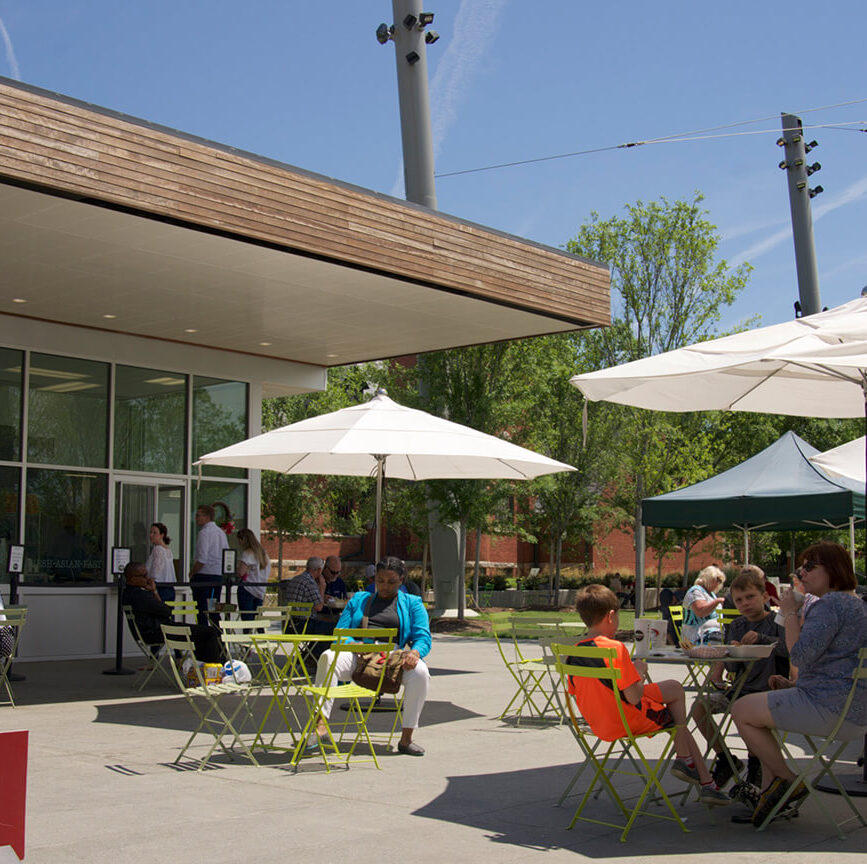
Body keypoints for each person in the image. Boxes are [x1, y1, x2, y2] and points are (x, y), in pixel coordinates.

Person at [731, 541, 867, 827]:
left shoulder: (831, 605)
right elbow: (829, 661)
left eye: (809, 567)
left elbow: (801, 655)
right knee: (762, 714)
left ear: (832, 569)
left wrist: (790, 611)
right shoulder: (856, 604)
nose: (801, 573)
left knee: (742, 709)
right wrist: (794, 683)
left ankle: (787, 781)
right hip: (852, 710)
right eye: (801, 567)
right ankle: (772, 797)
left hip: (830, 708)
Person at [568, 584, 729, 805]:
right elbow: (634, 697)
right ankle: (697, 773)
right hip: (625, 720)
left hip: (599, 721)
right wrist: (639, 673)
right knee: (677, 717)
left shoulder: (575, 650)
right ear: (611, 616)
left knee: (674, 689)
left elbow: (580, 692)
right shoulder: (614, 649)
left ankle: (695, 769)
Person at [308, 556, 431, 756]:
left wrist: (415, 653)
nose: (384, 586)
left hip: (392, 657)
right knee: (328, 657)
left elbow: (423, 637)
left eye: (391, 582)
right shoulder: (359, 599)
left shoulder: (413, 603)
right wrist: (352, 644)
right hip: (359, 652)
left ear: (401, 580)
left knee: (421, 673)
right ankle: (320, 725)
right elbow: (340, 632)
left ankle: (407, 738)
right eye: (380, 581)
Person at [690, 569, 789, 798]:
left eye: (750, 597)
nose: (745, 603)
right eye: (739, 600)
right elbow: (733, 669)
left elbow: (789, 650)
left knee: (742, 711)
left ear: (765, 597)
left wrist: (762, 639)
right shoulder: (736, 626)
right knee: (699, 706)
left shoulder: (777, 623)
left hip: (768, 691)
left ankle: (757, 764)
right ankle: (726, 758)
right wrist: (732, 654)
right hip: (740, 689)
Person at [122, 561, 223, 663]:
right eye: (144, 576)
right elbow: (166, 611)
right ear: (133, 579)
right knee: (209, 632)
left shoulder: (127, 595)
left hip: (151, 632)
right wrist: (154, 592)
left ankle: (204, 669)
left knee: (201, 633)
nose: (148, 579)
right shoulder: (140, 596)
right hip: (159, 631)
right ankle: (212, 668)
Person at [189, 505, 228, 625]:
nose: (196, 519)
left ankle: (205, 635)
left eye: (198, 515)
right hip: (217, 576)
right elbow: (226, 553)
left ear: (207, 517)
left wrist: (192, 572)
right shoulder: (221, 533)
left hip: (204, 577)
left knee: (202, 608)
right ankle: (217, 635)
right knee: (212, 608)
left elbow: (202, 558)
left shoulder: (205, 533)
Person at [281, 556, 328, 633]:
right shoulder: (309, 582)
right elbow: (319, 607)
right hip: (303, 625)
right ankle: (315, 645)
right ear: (319, 570)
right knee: (332, 628)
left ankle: (313, 645)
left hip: (288, 624)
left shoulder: (295, 579)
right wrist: (322, 588)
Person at [681, 565, 726, 645]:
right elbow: (701, 611)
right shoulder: (695, 591)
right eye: (717, 579)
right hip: (697, 637)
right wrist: (717, 601)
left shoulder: (711, 593)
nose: (718, 583)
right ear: (708, 578)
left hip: (715, 634)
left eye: (720, 581)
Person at [236, 528, 271, 619]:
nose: (239, 543)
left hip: (248, 589)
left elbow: (241, 572)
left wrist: (237, 567)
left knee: (247, 618)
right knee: (257, 618)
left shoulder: (247, 553)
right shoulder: (264, 554)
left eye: (239, 540)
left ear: (243, 539)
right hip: (260, 590)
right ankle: (258, 632)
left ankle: (247, 633)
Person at [146, 522, 176, 603]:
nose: (151, 535)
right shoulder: (168, 550)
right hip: (169, 588)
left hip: (159, 587)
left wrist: (150, 583)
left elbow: (156, 571)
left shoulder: (158, 549)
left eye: (154, 533)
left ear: (162, 535)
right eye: (150, 532)